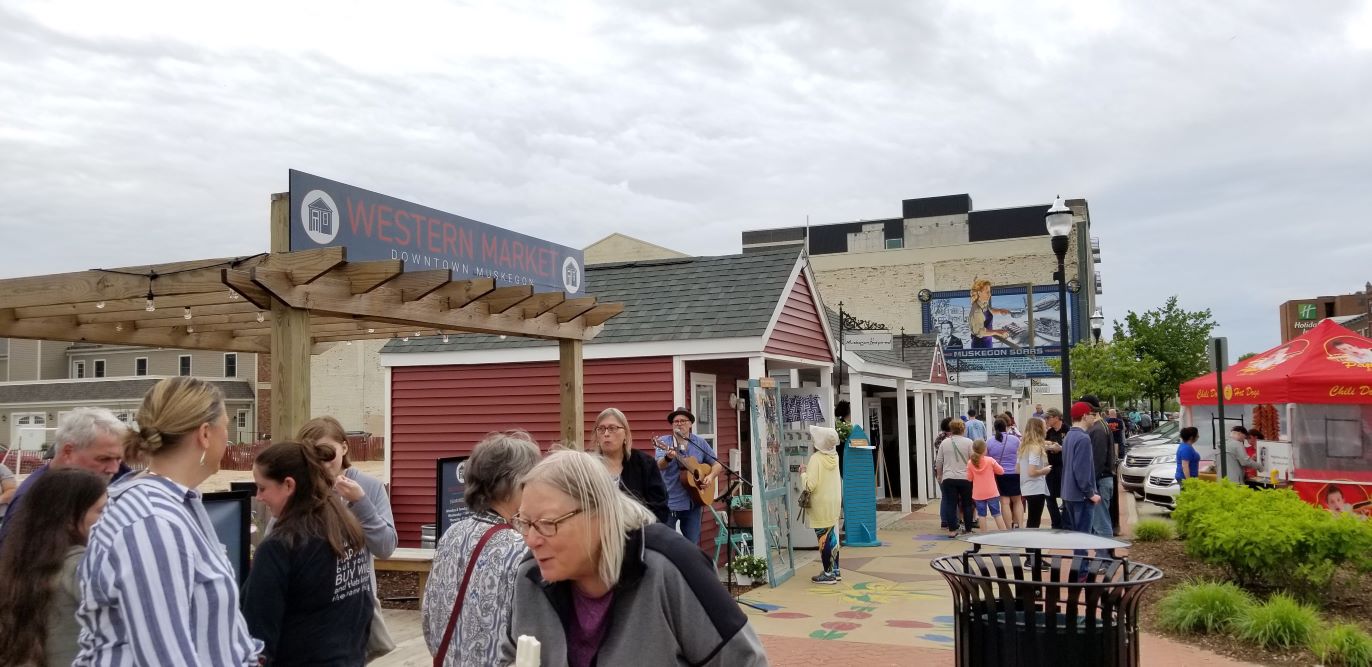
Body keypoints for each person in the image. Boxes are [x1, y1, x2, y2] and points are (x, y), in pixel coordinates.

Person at [501, 450, 767, 666]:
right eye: (524, 523)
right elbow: (512, 657)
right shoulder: (531, 575)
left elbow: (745, 661)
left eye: (547, 523)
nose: (531, 540)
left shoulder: (672, 566)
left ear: (599, 516)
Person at [75, 376, 262, 665]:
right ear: (205, 434)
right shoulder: (151, 521)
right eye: (226, 425)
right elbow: (165, 658)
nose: (229, 437)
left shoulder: (179, 505)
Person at [244, 440, 373, 665]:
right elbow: (363, 610)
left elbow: (257, 641)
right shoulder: (346, 528)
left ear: (288, 485)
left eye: (263, 487)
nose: (259, 497)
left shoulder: (280, 547)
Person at [423, 431, 541, 667]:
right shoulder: (520, 549)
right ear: (513, 484)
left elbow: (429, 616)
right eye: (532, 481)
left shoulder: (452, 534)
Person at [297, 416, 397, 660]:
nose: (322, 463)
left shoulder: (369, 487)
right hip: (311, 612)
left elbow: (385, 547)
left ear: (344, 447)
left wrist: (360, 502)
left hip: (354, 610)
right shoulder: (301, 489)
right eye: (313, 455)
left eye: (326, 453)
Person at [0, 468, 107, 667]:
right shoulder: (83, 566)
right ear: (68, 518)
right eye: (101, 510)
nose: (109, 517)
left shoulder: (17, 563)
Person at [1, 407, 129, 537]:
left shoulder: (115, 477)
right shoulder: (32, 501)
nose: (114, 469)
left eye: (119, 459)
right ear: (68, 452)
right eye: (104, 459)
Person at [655, 407, 723, 547]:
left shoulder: (699, 442)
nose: (679, 424)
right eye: (676, 421)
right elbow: (659, 466)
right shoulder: (664, 442)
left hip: (694, 502)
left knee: (692, 545)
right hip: (670, 502)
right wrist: (668, 458)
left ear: (690, 424)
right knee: (667, 545)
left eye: (683, 421)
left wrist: (710, 477)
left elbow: (717, 465)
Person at [592, 408, 668, 523]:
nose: (606, 434)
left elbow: (659, 508)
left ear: (625, 434)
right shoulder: (587, 465)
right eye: (601, 429)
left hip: (638, 534)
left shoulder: (644, 464)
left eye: (612, 428)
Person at [800, 425, 843, 584]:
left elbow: (809, 485)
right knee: (832, 537)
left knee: (823, 539)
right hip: (833, 502)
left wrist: (803, 473)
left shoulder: (816, 458)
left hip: (820, 504)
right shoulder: (834, 456)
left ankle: (828, 573)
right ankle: (835, 570)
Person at [1060, 402, 1101, 560]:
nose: (1093, 417)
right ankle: (1081, 575)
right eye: (1091, 414)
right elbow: (1082, 470)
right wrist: (1090, 493)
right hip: (1081, 496)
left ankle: (1077, 574)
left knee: (1076, 539)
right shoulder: (1083, 438)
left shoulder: (1069, 436)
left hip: (1068, 493)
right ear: (1084, 416)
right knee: (1083, 539)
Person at [1079, 395, 1118, 537]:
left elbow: (1097, 460)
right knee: (1099, 522)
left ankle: (1105, 556)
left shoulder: (1098, 430)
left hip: (1100, 481)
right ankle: (1103, 555)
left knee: (1101, 523)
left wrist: (1089, 486)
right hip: (1102, 480)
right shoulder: (1100, 427)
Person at [936, 419, 977, 537]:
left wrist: (940, 475)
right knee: (967, 504)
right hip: (965, 477)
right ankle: (968, 529)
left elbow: (939, 460)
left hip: (949, 477)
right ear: (963, 429)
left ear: (951, 429)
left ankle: (952, 530)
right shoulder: (969, 442)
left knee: (950, 503)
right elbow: (973, 459)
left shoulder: (945, 442)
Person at [1018, 418, 1055, 529]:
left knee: (1032, 520)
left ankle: (1031, 546)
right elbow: (1032, 471)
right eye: (1044, 426)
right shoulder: (1036, 448)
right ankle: (1032, 546)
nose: (1047, 429)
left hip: (1026, 486)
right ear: (1039, 429)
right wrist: (1045, 470)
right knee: (1034, 522)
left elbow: (1017, 469)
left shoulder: (1023, 447)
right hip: (1036, 487)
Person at [989, 418, 1024, 529]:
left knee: (1004, 502)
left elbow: (986, 458)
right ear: (1006, 427)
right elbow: (1021, 455)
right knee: (1017, 501)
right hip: (1015, 473)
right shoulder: (1015, 440)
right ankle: (1020, 525)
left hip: (999, 475)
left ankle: (1008, 528)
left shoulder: (989, 441)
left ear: (995, 428)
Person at [967, 439, 1007, 531]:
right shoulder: (990, 460)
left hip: (978, 493)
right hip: (991, 492)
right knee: (997, 514)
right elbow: (1001, 471)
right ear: (985, 449)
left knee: (981, 515)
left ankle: (983, 534)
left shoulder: (970, 463)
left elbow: (969, 478)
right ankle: (1004, 533)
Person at [968, 278, 1013, 348]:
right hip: (980, 346)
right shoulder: (976, 310)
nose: (990, 295)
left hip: (987, 342)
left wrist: (1000, 311)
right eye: (987, 292)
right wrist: (997, 332)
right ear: (979, 293)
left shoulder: (983, 304)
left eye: (990, 292)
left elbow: (989, 310)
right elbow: (980, 332)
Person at [1042, 408, 1067, 529]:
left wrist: (1060, 448)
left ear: (1056, 417)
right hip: (1051, 467)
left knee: (1066, 496)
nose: (1046, 420)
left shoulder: (1068, 430)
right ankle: (1056, 523)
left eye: (1048, 418)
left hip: (1064, 467)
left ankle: (1067, 522)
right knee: (1049, 497)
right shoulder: (1049, 432)